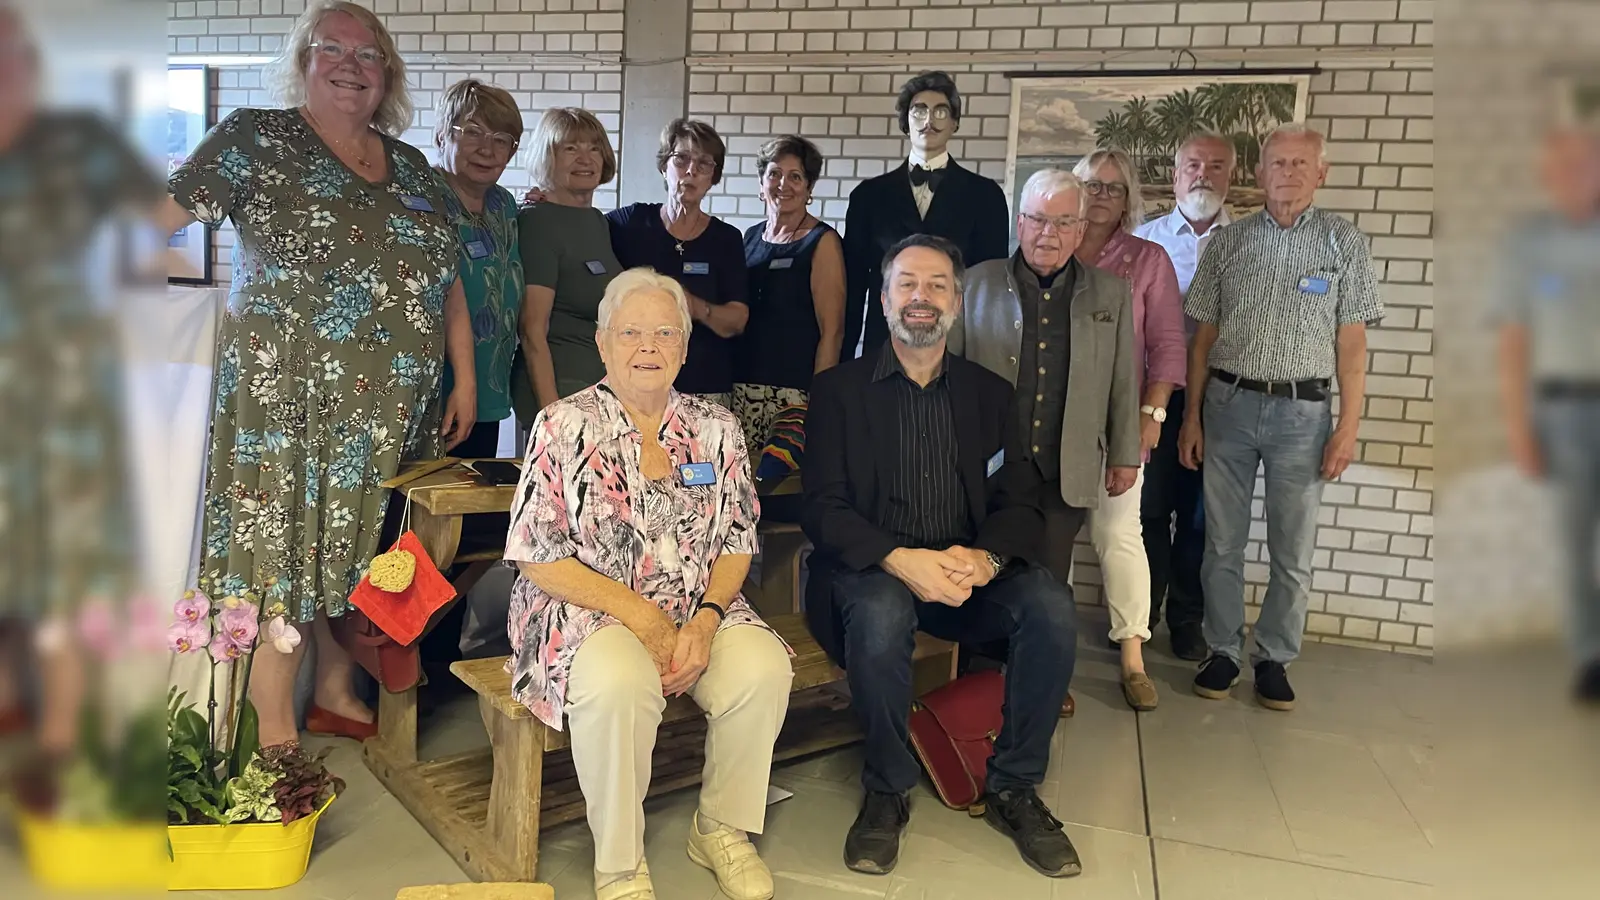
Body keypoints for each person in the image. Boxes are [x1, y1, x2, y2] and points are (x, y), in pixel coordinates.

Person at [160, 0, 476, 748]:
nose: (349, 65)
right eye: (331, 48)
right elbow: (158, 217)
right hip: (287, 400)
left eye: (368, 56)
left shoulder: (414, 168)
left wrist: (463, 378)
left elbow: (448, 281)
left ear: (387, 76)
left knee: (364, 558)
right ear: (303, 58)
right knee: (280, 559)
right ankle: (273, 731)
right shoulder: (255, 137)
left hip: (393, 408)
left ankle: (334, 691)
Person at [505, 267, 792, 900]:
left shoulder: (717, 429)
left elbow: (738, 539)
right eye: (630, 332)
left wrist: (709, 616)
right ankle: (620, 861)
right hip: (581, 609)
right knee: (618, 682)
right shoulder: (562, 425)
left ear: (685, 349)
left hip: (696, 604)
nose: (648, 347)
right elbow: (535, 556)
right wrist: (645, 620)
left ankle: (721, 828)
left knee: (763, 667)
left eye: (665, 333)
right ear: (603, 344)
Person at [803, 234, 1082, 879]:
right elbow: (823, 506)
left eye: (936, 286)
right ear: (884, 298)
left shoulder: (989, 394)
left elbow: (1020, 502)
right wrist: (899, 558)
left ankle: (1014, 787)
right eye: (907, 284)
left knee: (1050, 606)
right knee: (878, 615)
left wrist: (985, 561)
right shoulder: (839, 391)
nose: (921, 298)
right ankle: (886, 789)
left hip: (964, 577)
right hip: (871, 573)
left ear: (957, 302)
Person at [0, 3, 165, 757]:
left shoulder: (80, 145)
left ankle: (62, 744)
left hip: (63, 386)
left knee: (68, 565)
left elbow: (157, 221)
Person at [1180, 123, 1383, 712]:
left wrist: (1348, 426)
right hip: (1229, 406)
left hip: (1304, 413)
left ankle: (1275, 657)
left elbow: (1352, 346)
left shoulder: (1344, 243)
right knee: (1222, 542)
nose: (1288, 173)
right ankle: (1222, 650)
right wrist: (1191, 417)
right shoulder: (1229, 244)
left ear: (1321, 173)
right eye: (1277, 163)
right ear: (1259, 173)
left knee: (1292, 549)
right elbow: (1201, 341)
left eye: (1300, 163)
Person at [951, 168, 1141, 710]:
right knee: (981, 570)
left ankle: (1039, 679)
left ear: (1081, 230)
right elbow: (953, 373)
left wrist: (1125, 453)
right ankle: (975, 679)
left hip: (1067, 463)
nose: (1048, 234)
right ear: (1020, 221)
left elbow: (1124, 378)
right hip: (986, 466)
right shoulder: (977, 281)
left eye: (1063, 222)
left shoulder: (1111, 293)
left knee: (1049, 581)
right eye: (1037, 219)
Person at [1069, 149, 1185, 709]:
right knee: (1047, 540)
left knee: (1118, 534)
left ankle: (1133, 656)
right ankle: (1047, 654)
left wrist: (1152, 415)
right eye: (1091, 185)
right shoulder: (1049, 250)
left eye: (1113, 189)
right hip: (1051, 418)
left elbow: (1166, 344)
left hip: (1117, 421)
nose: (1100, 197)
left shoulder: (1148, 259)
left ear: (1128, 200)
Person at [1493, 128, 1600, 702]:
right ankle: (1590, 655)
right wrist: (1519, 428)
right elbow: (1515, 339)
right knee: (1575, 542)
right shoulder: (1528, 243)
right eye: (1560, 168)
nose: (1571, 176)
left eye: (1584, 165)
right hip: (1564, 411)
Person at [1133, 130, 1237, 661]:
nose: (1204, 174)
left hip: (1220, 400)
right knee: (1150, 510)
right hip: (1156, 397)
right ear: (1175, 175)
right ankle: (1143, 611)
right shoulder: (1145, 241)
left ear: (1232, 176)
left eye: (1216, 166)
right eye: (1193, 165)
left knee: (1200, 517)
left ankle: (1188, 619)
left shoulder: (1246, 243)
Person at [842, 71, 1008, 360]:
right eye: (919, 111)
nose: (929, 120)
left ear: (955, 122)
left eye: (941, 111)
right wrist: (844, 357)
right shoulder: (868, 196)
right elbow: (853, 288)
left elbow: (988, 287)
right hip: (885, 342)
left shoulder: (986, 196)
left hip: (955, 344)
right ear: (906, 120)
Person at [607, 119, 748, 408]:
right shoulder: (629, 223)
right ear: (664, 166)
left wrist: (696, 307)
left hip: (704, 388)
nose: (691, 170)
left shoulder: (726, 239)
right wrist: (548, 199)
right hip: (636, 387)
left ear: (713, 177)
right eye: (681, 158)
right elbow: (580, 227)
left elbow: (737, 320)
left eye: (704, 164)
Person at [735, 134, 846, 457]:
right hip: (742, 388)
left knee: (783, 495)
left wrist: (819, 403)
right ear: (761, 182)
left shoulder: (822, 242)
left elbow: (832, 332)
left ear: (809, 189)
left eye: (795, 176)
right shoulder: (750, 237)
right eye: (774, 174)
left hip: (793, 396)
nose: (783, 184)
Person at [433, 78, 524, 458]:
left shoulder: (504, 205)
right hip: (436, 393)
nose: (487, 149)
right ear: (442, 135)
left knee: (473, 503)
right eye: (472, 132)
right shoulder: (424, 199)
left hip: (489, 389)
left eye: (501, 139)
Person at [513, 106, 622, 418]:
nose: (585, 158)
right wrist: (554, 415)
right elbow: (532, 330)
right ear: (547, 156)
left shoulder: (596, 221)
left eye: (594, 148)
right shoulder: (539, 222)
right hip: (561, 391)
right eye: (570, 148)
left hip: (600, 387)